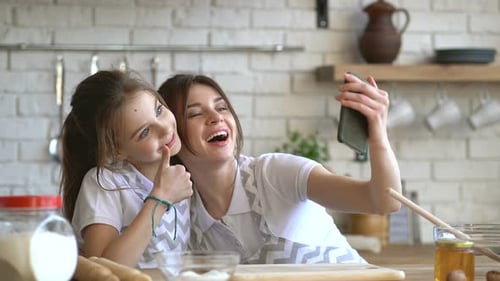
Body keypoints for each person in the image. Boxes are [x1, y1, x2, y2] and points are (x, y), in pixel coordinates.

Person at [158, 73, 402, 264]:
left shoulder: (275, 173)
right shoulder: (184, 220)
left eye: (222, 108)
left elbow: (383, 201)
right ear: (173, 135)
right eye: (196, 114)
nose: (216, 117)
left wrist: (377, 134)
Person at [60, 70, 193, 268]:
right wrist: (160, 199)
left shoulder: (179, 175)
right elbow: (103, 270)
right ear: (117, 150)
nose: (165, 128)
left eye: (159, 111)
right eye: (145, 132)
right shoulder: (104, 182)